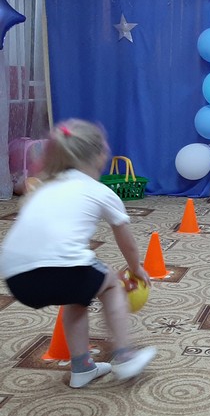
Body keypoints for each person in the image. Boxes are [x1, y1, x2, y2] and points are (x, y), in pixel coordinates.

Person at [0, 119, 157, 388]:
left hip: (16, 277)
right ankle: (124, 355)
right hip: (62, 267)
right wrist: (136, 268)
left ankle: (82, 367)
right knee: (111, 284)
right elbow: (126, 241)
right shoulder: (100, 191)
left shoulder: (44, 187)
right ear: (99, 155)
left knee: (77, 298)